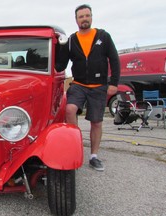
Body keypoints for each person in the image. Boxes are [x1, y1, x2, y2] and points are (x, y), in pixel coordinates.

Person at [56, 4, 120, 171]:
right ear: (76, 20)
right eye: (81, 16)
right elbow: (61, 64)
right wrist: (60, 46)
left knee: (96, 122)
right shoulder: (71, 40)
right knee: (69, 109)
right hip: (78, 84)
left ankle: (94, 156)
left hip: (99, 86)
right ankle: (75, 148)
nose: (84, 19)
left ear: (91, 17)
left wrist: (113, 83)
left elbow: (114, 59)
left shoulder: (103, 36)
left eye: (87, 16)